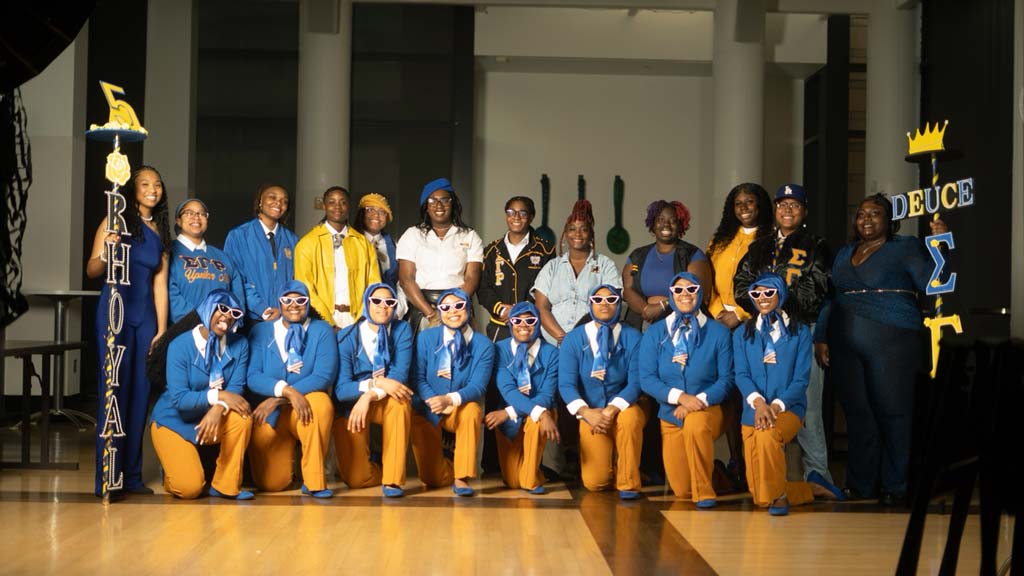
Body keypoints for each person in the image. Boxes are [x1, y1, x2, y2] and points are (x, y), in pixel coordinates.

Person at [816, 194, 947, 505]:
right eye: (861, 214)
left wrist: (939, 244)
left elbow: (931, 281)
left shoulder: (904, 247)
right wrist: (822, 336)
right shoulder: (846, 252)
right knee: (859, 414)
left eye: (875, 214)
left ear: (890, 220)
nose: (867, 220)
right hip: (845, 344)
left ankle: (896, 485)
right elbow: (831, 297)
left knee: (894, 413)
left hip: (893, 340)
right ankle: (862, 485)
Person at [733, 183, 834, 493]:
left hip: (801, 329)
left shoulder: (816, 245)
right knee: (760, 394)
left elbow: (820, 289)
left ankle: (818, 474)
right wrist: (764, 306)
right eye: (782, 205)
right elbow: (741, 285)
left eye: (794, 205)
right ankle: (768, 477)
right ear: (774, 210)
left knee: (806, 403)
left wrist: (781, 307)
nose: (787, 210)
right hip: (761, 330)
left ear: (804, 212)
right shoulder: (760, 246)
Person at [86, 165, 171, 496]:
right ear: (132, 190)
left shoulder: (159, 230)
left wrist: (161, 329)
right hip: (115, 314)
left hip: (145, 318)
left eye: (158, 184)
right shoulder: (114, 221)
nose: (153, 189)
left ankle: (132, 476)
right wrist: (109, 249)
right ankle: (108, 477)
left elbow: (160, 284)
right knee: (114, 393)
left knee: (139, 395)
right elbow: (92, 269)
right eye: (145, 183)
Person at [734, 273, 841, 515]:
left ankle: (780, 495)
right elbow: (741, 375)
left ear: (780, 294)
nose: (762, 298)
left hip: (788, 410)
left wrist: (775, 407)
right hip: (753, 411)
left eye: (769, 292)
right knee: (760, 496)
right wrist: (760, 404)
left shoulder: (800, 332)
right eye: (756, 294)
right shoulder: (741, 333)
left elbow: (801, 379)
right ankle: (808, 490)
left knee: (767, 433)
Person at [638, 272, 733, 507]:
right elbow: (647, 379)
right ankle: (717, 474)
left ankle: (706, 492)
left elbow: (726, 379)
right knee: (682, 490)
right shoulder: (655, 333)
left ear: (699, 294)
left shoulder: (719, 332)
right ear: (671, 295)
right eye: (678, 290)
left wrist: (696, 402)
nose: (685, 295)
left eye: (691, 289)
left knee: (695, 423)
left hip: (708, 409)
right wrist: (681, 398)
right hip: (671, 413)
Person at [149, 290, 253, 500]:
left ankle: (226, 485)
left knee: (242, 415)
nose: (227, 316)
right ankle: (171, 475)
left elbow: (235, 388)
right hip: (174, 421)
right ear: (207, 309)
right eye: (221, 309)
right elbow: (179, 398)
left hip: (210, 418)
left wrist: (217, 408)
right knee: (190, 489)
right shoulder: (179, 345)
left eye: (233, 312)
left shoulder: (239, 344)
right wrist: (218, 397)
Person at [703, 182, 773, 492]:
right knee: (729, 393)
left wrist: (741, 314)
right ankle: (735, 461)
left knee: (754, 390)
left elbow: (773, 283)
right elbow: (708, 284)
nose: (744, 207)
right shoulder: (719, 241)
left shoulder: (769, 240)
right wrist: (719, 312)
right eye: (738, 203)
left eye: (750, 202)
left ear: (760, 207)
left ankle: (758, 461)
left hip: (754, 322)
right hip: (719, 324)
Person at [246, 281, 337, 498]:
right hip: (270, 415)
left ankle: (314, 480)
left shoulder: (321, 330)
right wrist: (286, 392)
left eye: (300, 300)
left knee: (321, 404)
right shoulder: (261, 331)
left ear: (308, 303)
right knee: (272, 484)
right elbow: (253, 376)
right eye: (287, 300)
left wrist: (279, 398)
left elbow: (324, 376)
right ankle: (290, 464)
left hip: (303, 408)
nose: (294, 305)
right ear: (279, 302)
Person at [557, 285, 646, 499]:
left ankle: (628, 482)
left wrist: (613, 408)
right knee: (595, 483)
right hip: (591, 411)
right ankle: (612, 467)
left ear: (618, 304)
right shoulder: (574, 339)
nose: (604, 304)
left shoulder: (633, 337)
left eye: (611, 299)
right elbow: (566, 385)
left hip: (625, 405)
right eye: (598, 299)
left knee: (630, 419)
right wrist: (586, 412)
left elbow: (636, 382)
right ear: (591, 304)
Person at [409, 288, 495, 496]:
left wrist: (449, 400)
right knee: (432, 479)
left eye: (459, 306)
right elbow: (416, 377)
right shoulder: (425, 338)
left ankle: (462, 476)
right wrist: (433, 400)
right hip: (427, 408)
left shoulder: (484, 345)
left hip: (459, 406)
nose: (453, 311)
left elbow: (478, 386)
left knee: (473, 410)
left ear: (468, 308)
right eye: (446, 307)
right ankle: (448, 463)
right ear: (439, 311)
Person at [334, 283, 414, 497]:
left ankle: (393, 480)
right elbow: (342, 390)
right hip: (354, 406)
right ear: (366, 303)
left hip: (383, 399)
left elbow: (398, 378)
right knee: (357, 479)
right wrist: (373, 385)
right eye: (376, 301)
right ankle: (377, 466)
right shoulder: (347, 337)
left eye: (390, 302)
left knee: (400, 401)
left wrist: (371, 393)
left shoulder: (402, 330)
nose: (383, 307)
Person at [484, 302, 561, 494]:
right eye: (517, 320)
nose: (523, 325)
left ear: (538, 323)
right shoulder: (499, 349)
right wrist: (511, 412)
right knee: (512, 482)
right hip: (509, 417)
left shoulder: (552, 353)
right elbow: (507, 389)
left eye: (530, 320)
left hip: (538, 410)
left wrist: (538, 414)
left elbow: (546, 395)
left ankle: (531, 480)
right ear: (510, 323)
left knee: (538, 417)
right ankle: (535, 472)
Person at [396, 178, 484, 337]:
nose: (439, 205)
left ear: (453, 204)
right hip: (422, 309)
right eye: (432, 200)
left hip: (459, 308)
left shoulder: (469, 236)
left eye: (445, 200)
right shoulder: (412, 235)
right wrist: (431, 314)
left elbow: (472, 277)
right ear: (426, 206)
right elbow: (406, 279)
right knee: (424, 359)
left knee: (461, 358)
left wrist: (453, 309)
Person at [533, 200, 620, 347]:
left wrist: (579, 339)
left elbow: (612, 305)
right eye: (572, 229)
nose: (577, 234)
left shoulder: (605, 265)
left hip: (592, 343)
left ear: (591, 234)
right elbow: (541, 308)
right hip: (554, 345)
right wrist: (563, 338)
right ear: (565, 234)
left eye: (584, 229)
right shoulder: (552, 267)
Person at [295, 186, 380, 330]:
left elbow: (374, 285)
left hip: (358, 320)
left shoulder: (363, 243)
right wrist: (330, 324)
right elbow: (305, 288)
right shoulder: (307, 243)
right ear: (324, 205)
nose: (337, 207)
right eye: (332, 202)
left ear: (348, 206)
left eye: (343, 202)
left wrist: (362, 319)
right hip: (320, 320)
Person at [622, 200, 710, 331]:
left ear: (680, 225)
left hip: (681, 324)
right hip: (641, 324)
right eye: (660, 219)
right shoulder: (637, 256)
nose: (666, 225)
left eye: (673, 221)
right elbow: (628, 290)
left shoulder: (693, 254)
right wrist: (646, 309)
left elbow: (697, 293)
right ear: (653, 224)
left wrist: (662, 306)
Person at [478, 196, 555, 341]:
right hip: (500, 326)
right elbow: (483, 287)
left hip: (532, 325)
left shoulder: (546, 250)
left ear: (531, 217)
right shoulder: (491, 250)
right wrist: (500, 309)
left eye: (522, 213)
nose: (516, 217)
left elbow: (549, 289)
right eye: (511, 212)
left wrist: (523, 311)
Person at [224, 183, 298, 322]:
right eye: (272, 197)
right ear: (260, 202)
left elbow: (296, 280)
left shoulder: (293, 240)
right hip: (252, 317)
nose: (278, 202)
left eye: (284, 201)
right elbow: (235, 279)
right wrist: (262, 309)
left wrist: (284, 309)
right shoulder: (238, 236)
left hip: (285, 317)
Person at [168, 198, 246, 322]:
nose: (196, 217)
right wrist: (202, 323)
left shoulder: (224, 257)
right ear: (178, 220)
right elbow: (170, 297)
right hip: (184, 332)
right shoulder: (168, 252)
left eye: (202, 214)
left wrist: (231, 322)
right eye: (189, 213)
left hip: (223, 331)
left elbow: (237, 298)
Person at [352, 192, 407, 318]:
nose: (376, 215)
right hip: (357, 314)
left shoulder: (392, 245)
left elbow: (400, 281)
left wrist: (398, 310)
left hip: (387, 311)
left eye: (382, 212)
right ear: (361, 214)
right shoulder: (350, 242)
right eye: (370, 210)